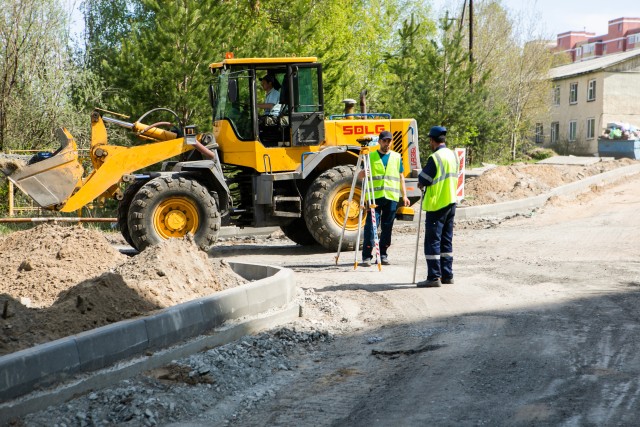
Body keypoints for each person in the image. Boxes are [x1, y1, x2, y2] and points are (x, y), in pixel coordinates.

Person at [360, 130, 411, 266]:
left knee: (387, 228)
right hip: (374, 198)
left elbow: (401, 177)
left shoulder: (396, 157)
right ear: (379, 142)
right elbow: (359, 176)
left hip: (391, 197)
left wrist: (404, 195)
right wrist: (363, 173)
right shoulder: (370, 157)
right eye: (384, 141)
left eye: (389, 141)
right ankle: (366, 256)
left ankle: (382, 254)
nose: (387, 143)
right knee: (371, 228)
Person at [416, 126, 459, 288]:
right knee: (446, 241)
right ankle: (447, 275)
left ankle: (434, 277)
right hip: (451, 201)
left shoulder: (436, 157)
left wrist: (421, 181)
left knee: (433, 241)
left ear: (432, 140)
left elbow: (425, 178)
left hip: (437, 203)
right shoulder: (453, 155)